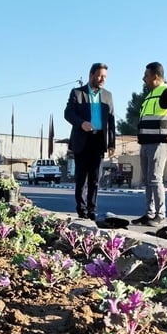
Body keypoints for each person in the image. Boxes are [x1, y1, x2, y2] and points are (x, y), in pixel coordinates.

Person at [133, 61, 167, 225]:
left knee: (155, 179)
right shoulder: (150, 95)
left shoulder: (166, 92)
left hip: (159, 144)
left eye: (146, 76)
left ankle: (160, 214)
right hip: (146, 144)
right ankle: (149, 214)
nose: (144, 79)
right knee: (148, 180)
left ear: (155, 77)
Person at [64, 63, 115, 220]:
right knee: (81, 177)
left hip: (99, 140)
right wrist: (81, 123)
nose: (102, 79)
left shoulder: (107, 95)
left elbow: (111, 121)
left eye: (105, 77)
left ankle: (92, 210)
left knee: (95, 178)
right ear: (91, 75)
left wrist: (112, 143)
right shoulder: (77, 93)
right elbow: (68, 113)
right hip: (82, 139)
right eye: (100, 76)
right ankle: (82, 209)